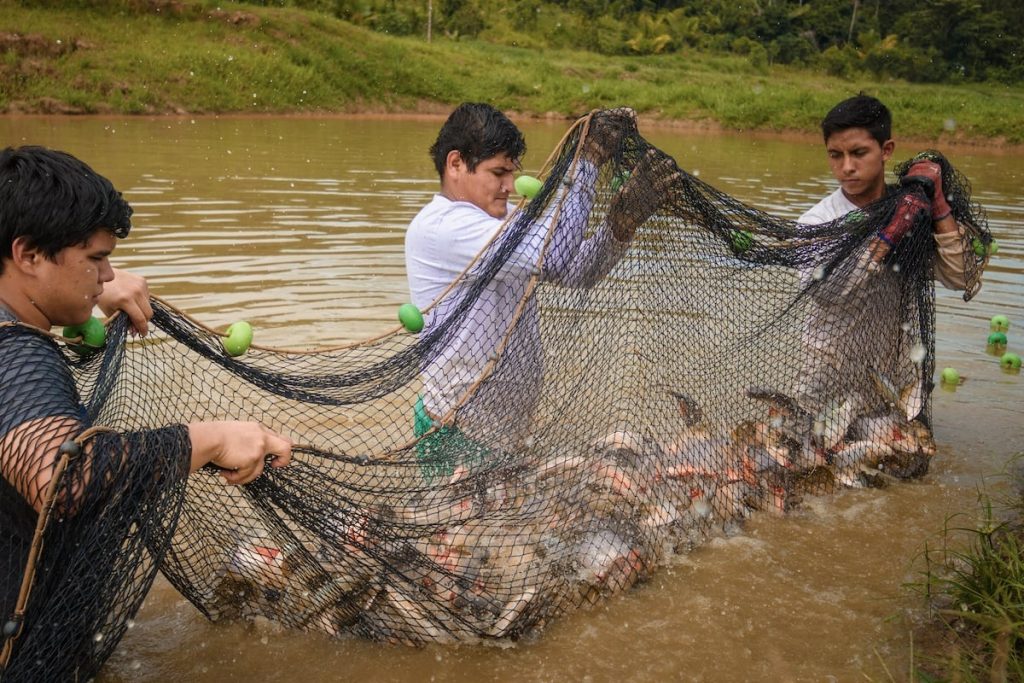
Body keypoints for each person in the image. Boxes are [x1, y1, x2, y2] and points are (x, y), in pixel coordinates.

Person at [0, 145, 293, 680]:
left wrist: (82, 295)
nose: (108, 274)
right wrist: (207, 439)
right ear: (28, 256)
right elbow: (61, 477)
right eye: (94, 259)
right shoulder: (14, 351)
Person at [405, 103, 672, 476]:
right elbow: (557, 257)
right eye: (498, 173)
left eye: (512, 174)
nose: (510, 186)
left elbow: (575, 273)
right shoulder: (446, 227)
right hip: (457, 434)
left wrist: (620, 223)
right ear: (455, 164)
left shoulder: (498, 221)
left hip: (498, 434)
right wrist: (588, 161)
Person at [793, 94, 977, 423]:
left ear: (886, 150)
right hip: (830, 373)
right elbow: (826, 294)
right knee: (812, 466)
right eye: (835, 155)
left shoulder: (913, 212)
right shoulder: (817, 221)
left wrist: (939, 207)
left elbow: (962, 278)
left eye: (858, 153)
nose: (846, 167)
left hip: (896, 378)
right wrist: (887, 236)